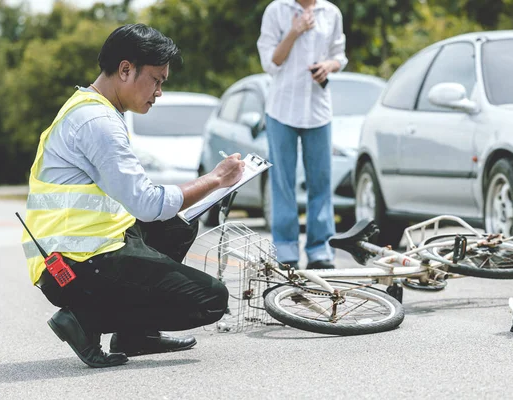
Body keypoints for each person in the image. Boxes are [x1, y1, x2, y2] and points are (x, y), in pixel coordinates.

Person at [21, 24, 245, 368]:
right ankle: (84, 317)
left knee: (176, 226)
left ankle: (137, 335)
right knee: (211, 300)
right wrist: (215, 179)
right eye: (157, 80)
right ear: (126, 69)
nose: (159, 92)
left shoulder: (90, 107)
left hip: (84, 249)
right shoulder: (98, 121)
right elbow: (147, 203)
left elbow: (143, 203)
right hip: (73, 265)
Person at [257, 0, 348, 270]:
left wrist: (328, 66)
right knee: (283, 183)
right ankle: (285, 251)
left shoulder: (331, 12)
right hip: (281, 110)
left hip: (318, 110)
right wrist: (294, 31)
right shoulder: (277, 10)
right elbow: (270, 63)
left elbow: (339, 55)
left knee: (320, 182)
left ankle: (320, 251)